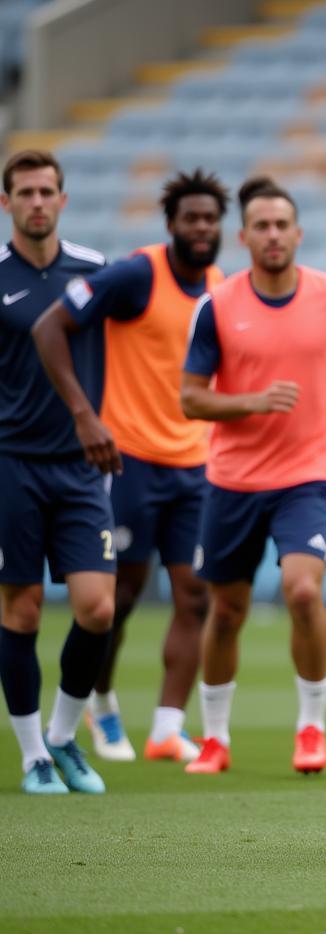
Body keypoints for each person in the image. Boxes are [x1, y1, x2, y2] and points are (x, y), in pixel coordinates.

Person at [180, 175, 326, 776]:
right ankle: (215, 739)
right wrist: (249, 401)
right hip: (232, 481)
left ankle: (311, 727)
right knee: (227, 611)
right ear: (243, 236)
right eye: (261, 226)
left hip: (306, 477)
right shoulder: (216, 306)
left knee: (302, 592)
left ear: (298, 233)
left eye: (282, 225)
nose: (272, 235)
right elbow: (191, 400)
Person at [33, 169, 229, 764]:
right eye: (191, 218)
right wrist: (84, 416)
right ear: (170, 224)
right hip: (130, 460)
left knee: (195, 596)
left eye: (211, 219)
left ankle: (167, 727)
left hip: (195, 466)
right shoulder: (136, 273)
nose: (201, 227)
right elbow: (55, 327)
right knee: (117, 597)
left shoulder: (222, 286)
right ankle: (100, 701)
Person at [1, 149, 112, 794]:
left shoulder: (93, 271)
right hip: (12, 464)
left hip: (79, 466)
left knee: (97, 607)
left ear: (63, 200)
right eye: (25, 192)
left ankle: (65, 738)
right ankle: (31, 755)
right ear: (8, 202)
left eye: (47, 191)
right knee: (22, 612)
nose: (37, 201)